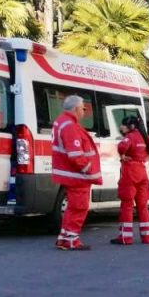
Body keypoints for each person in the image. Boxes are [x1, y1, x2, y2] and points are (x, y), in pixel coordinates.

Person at [50, 94, 101, 251]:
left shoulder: (61, 122)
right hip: (77, 176)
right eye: (83, 108)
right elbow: (75, 155)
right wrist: (87, 170)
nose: (84, 112)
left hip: (69, 174)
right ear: (76, 109)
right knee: (79, 207)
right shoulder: (70, 126)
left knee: (72, 207)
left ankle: (64, 238)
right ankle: (72, 240)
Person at [110, 114, 149, 246]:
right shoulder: (145, 137)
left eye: (123, 125)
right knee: (142, 206)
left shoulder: (129, 137)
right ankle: (147, 237)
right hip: (142, 171)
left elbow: (121, 147)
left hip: (130, 172)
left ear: (130, 126)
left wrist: (123, 156)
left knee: (127, 205)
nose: (121, 127)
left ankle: (125, 237)